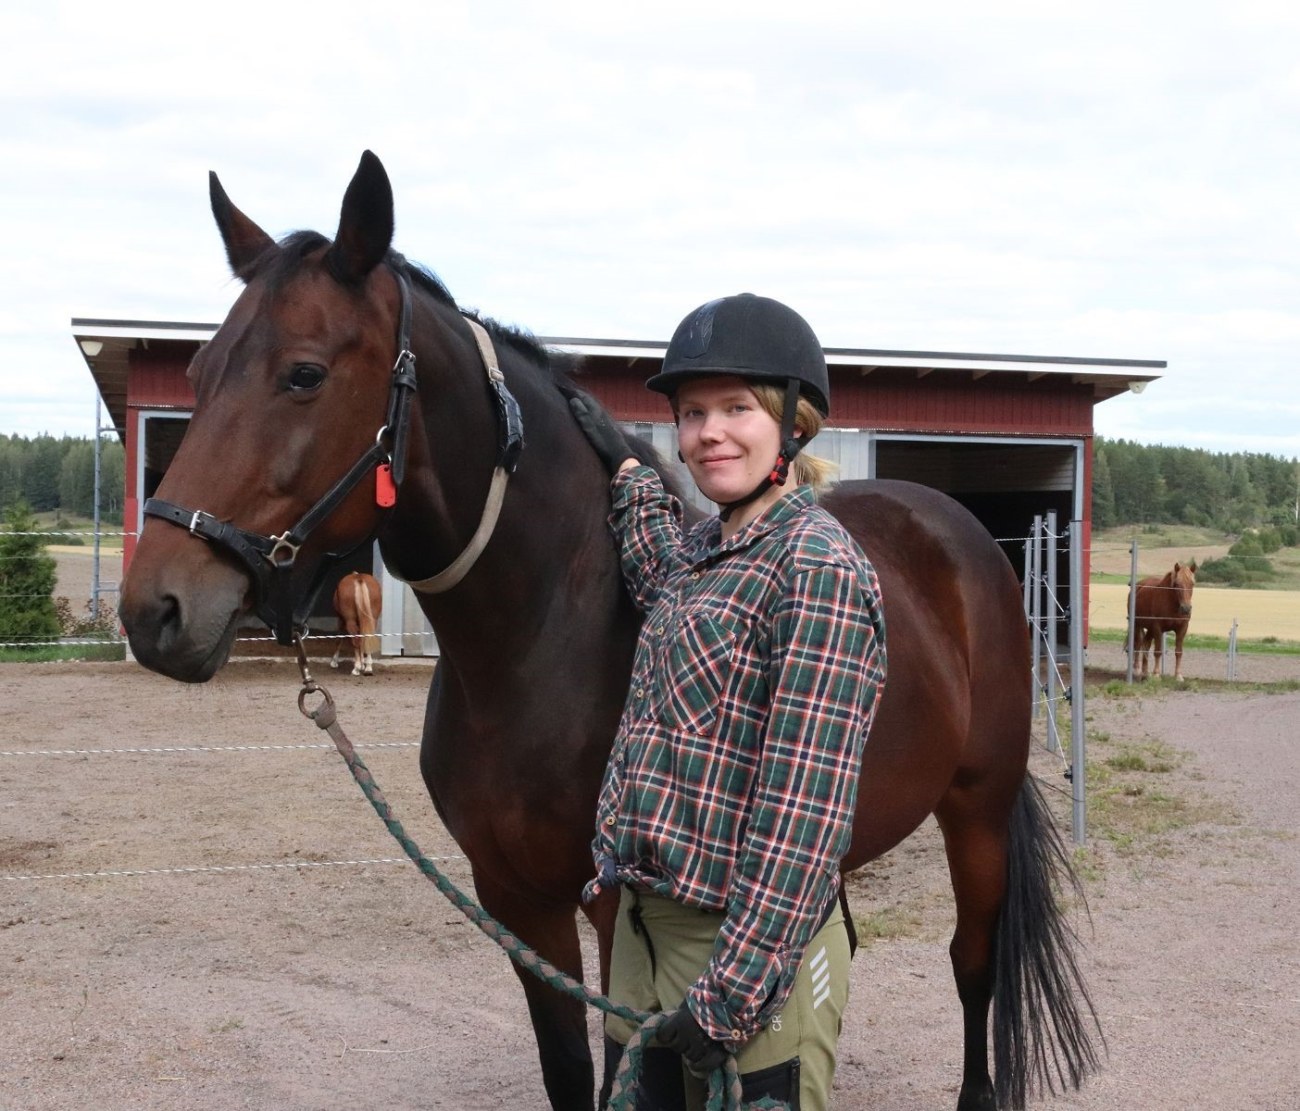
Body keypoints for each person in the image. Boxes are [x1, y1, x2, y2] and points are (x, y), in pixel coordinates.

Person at [568, 293, 887, 1111]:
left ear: (794, 423)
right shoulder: (704, 550)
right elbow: (657, 573)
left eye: (737, 408)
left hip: (741, 955)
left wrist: (729, 998)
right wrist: (629, 469)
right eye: (692, 412)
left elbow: (803, 813)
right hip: (642, 933)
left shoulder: (817, 567)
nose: (709, 431)